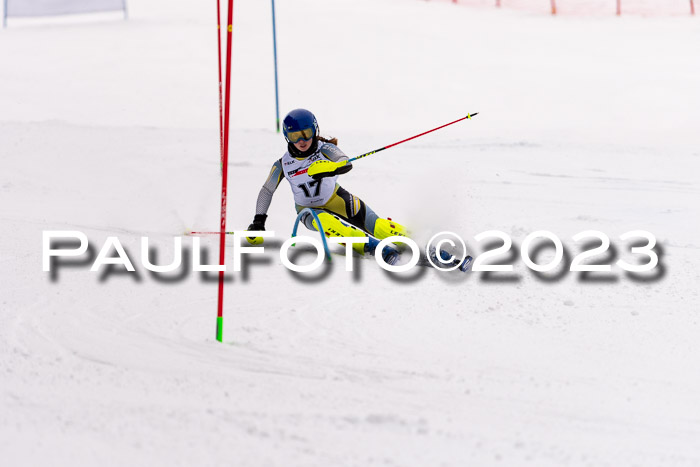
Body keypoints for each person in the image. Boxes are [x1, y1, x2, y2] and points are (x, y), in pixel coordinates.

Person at [245, 108, 407, 264]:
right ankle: (376, 248)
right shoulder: (283, 164)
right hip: (308, 210)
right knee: (330, 224)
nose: (301, 141)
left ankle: (413, 239)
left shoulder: (325, 148)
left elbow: (344, 162)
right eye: (295, 136)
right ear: (287, 137)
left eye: (306, 134)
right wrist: (258, 222)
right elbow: (267, 190)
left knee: (378, 225)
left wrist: (328, 168)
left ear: (315, 131)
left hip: (336, 198)